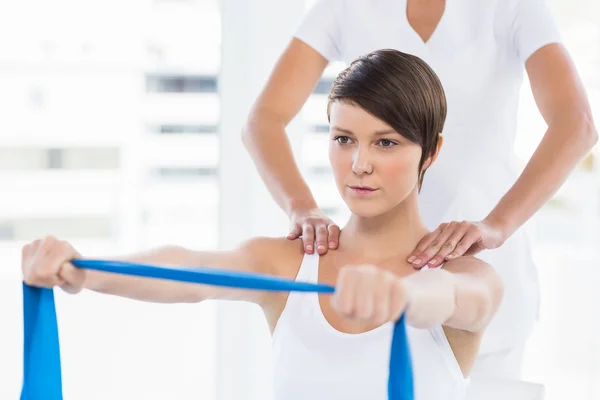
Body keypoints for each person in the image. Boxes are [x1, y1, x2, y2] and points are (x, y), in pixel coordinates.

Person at [22, 50, 502, 400]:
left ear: (432, 152)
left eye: (386, 143)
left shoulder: (466, 276)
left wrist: (406, 297)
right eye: (343, 138)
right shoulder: (292, 263)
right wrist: (80, 270)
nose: (358, 164)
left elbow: (454, 298)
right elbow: (188, 272)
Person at [241, 0, 598, 379]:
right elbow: (263, 120)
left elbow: (576, 124)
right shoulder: (343, 7)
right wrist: (301, 207)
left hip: (479, 281)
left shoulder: (510, 7)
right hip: (373, 280)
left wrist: (497, 225)